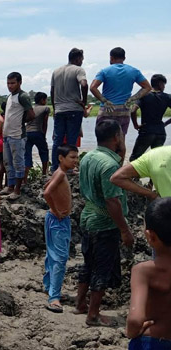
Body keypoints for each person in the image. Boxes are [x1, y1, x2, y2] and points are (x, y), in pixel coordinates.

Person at [75, 119, 134, 327]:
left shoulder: (88, 157)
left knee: (88, 263)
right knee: (102, 268)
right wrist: (125, 230)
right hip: (104, 223)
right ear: (117, 137)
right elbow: (112, 201)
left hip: (87, 217)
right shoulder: (109, 165)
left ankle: (80, 304)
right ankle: (93, 315)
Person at [126, 197, 171, 349]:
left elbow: (135, 320)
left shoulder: (143, 271)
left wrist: (132, 332)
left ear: (150, 236)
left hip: (152, 341)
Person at [43, 144, 79, 313]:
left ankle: (49, 287)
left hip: (54, 218)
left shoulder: (58, 173)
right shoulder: (60, 175)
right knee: (60, 258)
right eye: (72, 157)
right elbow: (47, 193)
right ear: (61, 158)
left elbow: (47, 188)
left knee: (52, 255)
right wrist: (57, 211)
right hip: (58, 220)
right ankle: (54, 298)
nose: (75, 160)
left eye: (76, 157)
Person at [90, 47, 152, 135]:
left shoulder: (104, 71)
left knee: (103, 138)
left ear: (111, 58)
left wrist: (104, 100)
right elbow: (147, 87)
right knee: (121, 139)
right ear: (124, 58)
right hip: (124, 109)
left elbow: (93, 87)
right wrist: (132, 99)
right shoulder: (134, 71)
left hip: (108, 109)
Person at [50, 48, 89, 172]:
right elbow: (84, 84)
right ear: (77, 58)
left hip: (59, 109)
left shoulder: (56, 71)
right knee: (71, 141)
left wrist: (55, 108)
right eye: (81, 59)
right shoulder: (78, 70)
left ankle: (55, 167)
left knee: (58, 140)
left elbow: (52, 91)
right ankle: (69, 168)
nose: (82, 62)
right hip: (73, 109)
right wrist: (84, 101)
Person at [1, 72, 35, 200]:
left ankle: (17, 190)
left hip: (17, 135)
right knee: (8, 163)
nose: (10, 86)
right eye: (8, 83)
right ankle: (10, 187)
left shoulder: (23, 96)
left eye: (13, 83)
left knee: (18, 163)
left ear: (20, 82)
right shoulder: (10, 96)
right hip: (7, 135)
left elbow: (31, 114)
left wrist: (21, 121)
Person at [129, 74, 171, 162]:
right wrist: (164, 124)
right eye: (163, 84)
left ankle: (133, 176)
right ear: (160, 84)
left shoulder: (144, 95)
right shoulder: (167, 97)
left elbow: (133, 111)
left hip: (146, 131)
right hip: (160, 133)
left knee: (135, 159)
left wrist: (136, 125)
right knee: (156, 160)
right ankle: (154, 176)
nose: (164, 87)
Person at [24, 92, 50, 182]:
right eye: (45, 99)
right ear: (42, 100)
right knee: (44, 152)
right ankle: (44, 174)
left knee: (27, 154)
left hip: (27, 132)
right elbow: (45, 123)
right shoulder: (46, 108)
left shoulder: (31, 109)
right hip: (37, 132)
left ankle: (24, 178)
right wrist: (44, 135)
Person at [0, 102, 7, 190]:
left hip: (0, 143)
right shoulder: (7, 119)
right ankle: (5, 184)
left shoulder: (1, 119)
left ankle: (0, 185)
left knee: (1, 164)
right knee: (6, 164)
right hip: (6, 143)